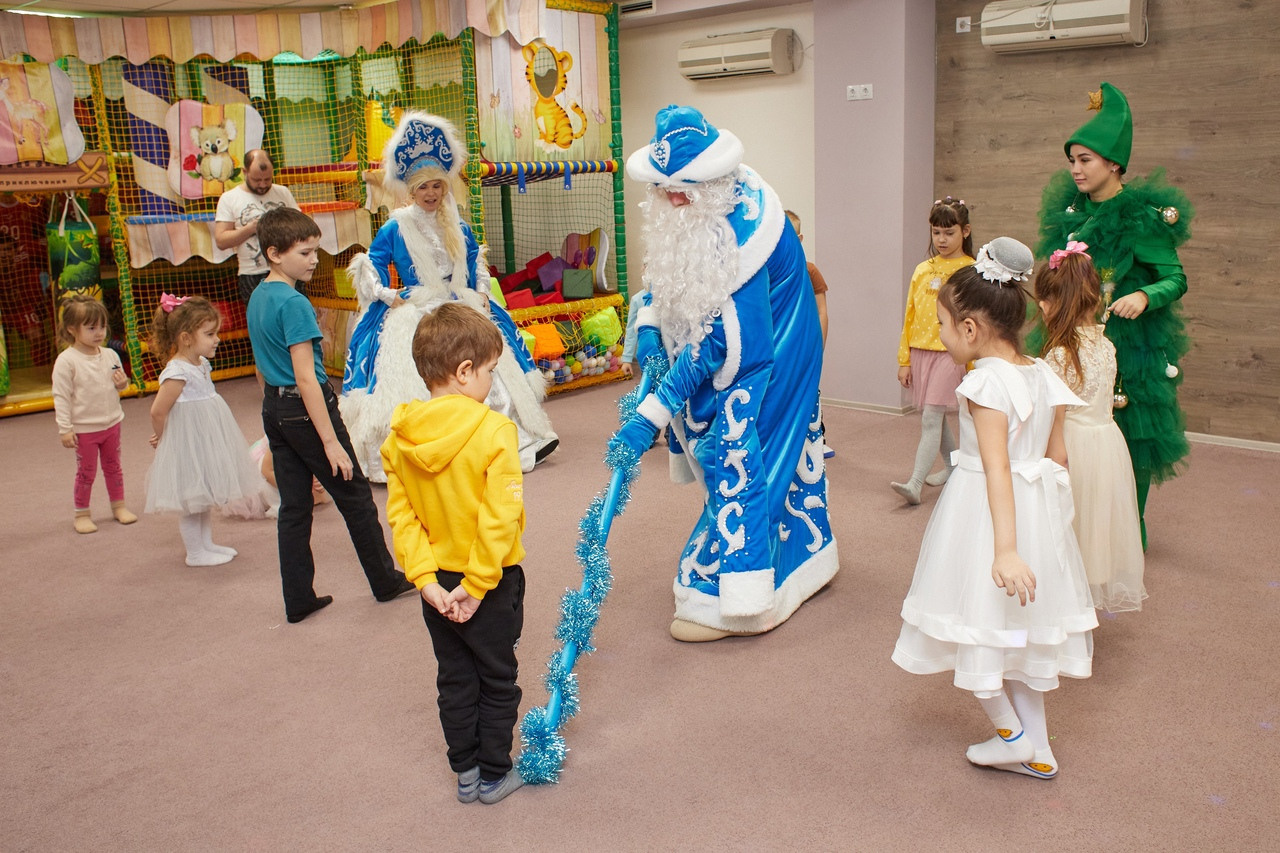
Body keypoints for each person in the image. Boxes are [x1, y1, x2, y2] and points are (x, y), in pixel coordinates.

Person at [612, 105, 838, 642]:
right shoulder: (693, 210)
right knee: (744, 450)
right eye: (663, 189)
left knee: (740, 450)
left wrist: (653, 411)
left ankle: (735, 596)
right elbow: (668, 276)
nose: (671, 199)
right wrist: (650, 324)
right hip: (741, 340)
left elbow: (726, 343)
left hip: (776, 350)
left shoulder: (742, 234)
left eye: (682, 190)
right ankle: (806, 557)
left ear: (711, 182)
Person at [892, 237, 1097, 780]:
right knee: (1018, 638)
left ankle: (1012, 737)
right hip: (1035, 513)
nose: (940, 335)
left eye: (942, 325)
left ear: (969, 329)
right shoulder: (1044, 373)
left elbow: (998, 468)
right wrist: (1049, 529)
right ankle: (1039, 749)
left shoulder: (984, 382)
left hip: (988, 517)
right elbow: (1058, 458)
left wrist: (1005, 549)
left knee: (975, 630)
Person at [341, 112, 558, 480]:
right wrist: (386, 294)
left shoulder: (457, 224)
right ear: (411, 191)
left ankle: (512, 440)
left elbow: (475, 261)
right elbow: (370, 265)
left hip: (458, 302)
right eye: (423, 188)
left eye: (437, 187)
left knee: (488, 361)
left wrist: (482, 291)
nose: (431, 194)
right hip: (417, 308)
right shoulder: (396, 226)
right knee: (417, 375)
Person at [1035, 82, 1193, 549]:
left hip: (1128, 347)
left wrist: (1145, 294)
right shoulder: (1071, 213)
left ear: (1114, 164)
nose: (1075, 169)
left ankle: (1125, 536)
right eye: (1072, 160)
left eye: (1085, 160)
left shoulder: (1141, 220)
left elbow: (1175, 277)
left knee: (1126, 441)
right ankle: (1072, 533)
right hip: (1074, 339)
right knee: (1064, 432)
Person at [381, 302, 527, 805]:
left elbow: (403, 519)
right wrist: (479, 584)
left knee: (455, 678)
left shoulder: (399, 440)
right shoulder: (495, 431)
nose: (491, 379)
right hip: (489, 582)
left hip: (438, 587)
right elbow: (498, 518)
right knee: (497, 678)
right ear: (465, 372)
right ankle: (494, 775)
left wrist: (425, 581)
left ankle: (465, 773)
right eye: (490, 370)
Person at [246, 207, 415, 624]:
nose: (314, 260)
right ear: (274, 253)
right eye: (304, 253)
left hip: (276, 407)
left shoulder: (259, 295)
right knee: (355, 496)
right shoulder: (295, 303)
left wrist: (274, 409)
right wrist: (330, 442)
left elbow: (262, 363)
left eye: (315, 251)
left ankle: (298, 597)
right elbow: (306, 377)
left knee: (294, 506)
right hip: (307, 410)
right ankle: (385, 581)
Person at [1034, 245, 1146, 612]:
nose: (1040, 308)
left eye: (1043, 302)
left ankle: (1064, 602)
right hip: (1106, 443)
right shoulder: (1106, 346)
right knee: (1095, 520)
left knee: (1067, 521)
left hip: (1072, 446)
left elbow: (1053, 416)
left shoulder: (1059, 355)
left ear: (1056, 304)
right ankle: (1083, 593)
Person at [144, 294, 268, 566]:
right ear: (186, 338)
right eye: (210, 334)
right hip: (187, 444)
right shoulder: (177, 372)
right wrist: (164, 437)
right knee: (191, 499)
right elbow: (158, 411)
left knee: (203, 495)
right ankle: (195, 553)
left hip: (204, 440)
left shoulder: (200, 363)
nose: (217, 339)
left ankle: (206, 544)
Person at [891, 197, 976, 503]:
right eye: (936, 232)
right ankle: (953, 467)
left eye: (949, 233)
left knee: (930, 418)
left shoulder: (971, 271)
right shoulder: (922, 270)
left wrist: (972, 363)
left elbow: (975, 320)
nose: (941, 239)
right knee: (934, 416)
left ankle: (915, 483)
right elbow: (909, 315)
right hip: (921, 351)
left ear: (965, 231)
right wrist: (904, 359)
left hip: (951, 354)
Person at [51, 294, 137, 534]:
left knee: (113, 467)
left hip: (112, 424)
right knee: (86, 472)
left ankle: (119, 506)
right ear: (72, 329)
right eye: (91, 328)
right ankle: (82, 513)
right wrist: (65, 429)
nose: (99, 333)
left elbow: (121, 381)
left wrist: (122, 384)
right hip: (85, 429)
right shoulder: (66, 361)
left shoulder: (110, 355)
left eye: (102, 327)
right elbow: (61, 396)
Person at [214, 149, 300, 304]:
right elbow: (221, 240)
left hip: (288, 270)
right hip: (253, 273)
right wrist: (251, 228)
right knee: (262, 318)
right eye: (256, 180)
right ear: (244, 172)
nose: (263, 185)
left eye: (267, 179)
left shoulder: (283, 192)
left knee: (295, 314)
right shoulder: (229, 198)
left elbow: (301, 227)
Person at [785, 209, 834, 458]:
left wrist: (819, 344)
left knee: (810, 390)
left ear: (800, 239)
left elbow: (822, 311)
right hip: (781, 346)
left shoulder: (810, 271)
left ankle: (817, 437)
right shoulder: (769, 272)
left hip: (805, 344)